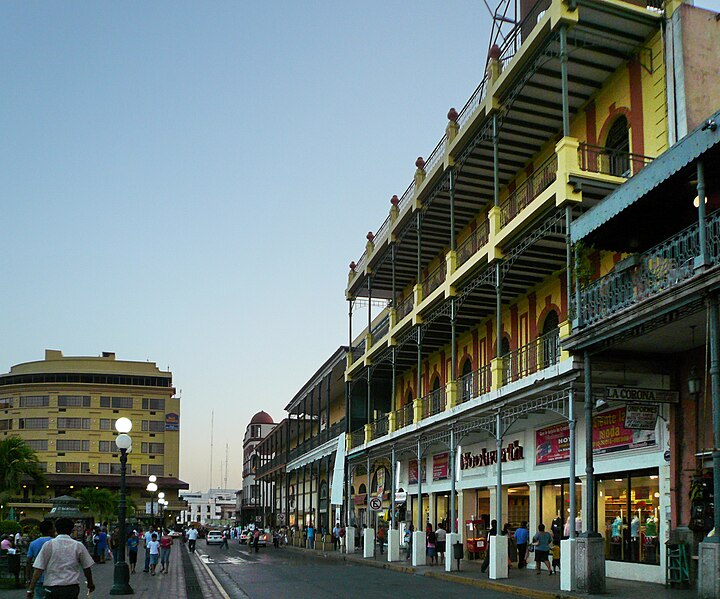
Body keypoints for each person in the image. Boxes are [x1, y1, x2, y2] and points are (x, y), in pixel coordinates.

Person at [27, 517, 95, 599]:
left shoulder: (49, 545)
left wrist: (31, 589)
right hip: (71, 588)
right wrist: (90, 583)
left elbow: (38, 569)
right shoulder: (78, 545)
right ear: (71, 530)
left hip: (52, 588)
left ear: (56, 529)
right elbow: (87, 567)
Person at [25, 520, 55, 599]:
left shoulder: (33, 543)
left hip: (38, 578)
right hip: (54, 578)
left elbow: (28, 562)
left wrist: (28, 578)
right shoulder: (56, 542)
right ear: (51, 530)